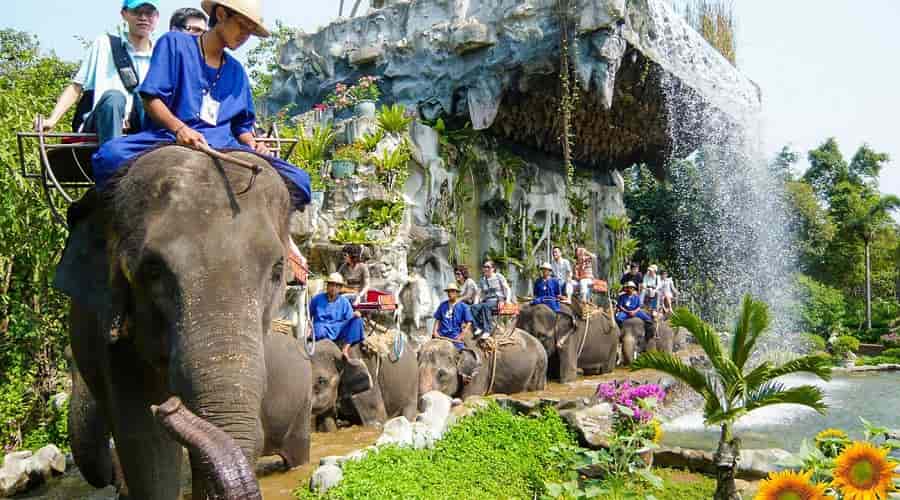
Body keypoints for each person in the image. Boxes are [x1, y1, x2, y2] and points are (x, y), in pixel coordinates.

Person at [91, 0, 311, 209]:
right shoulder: (174, 43)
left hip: (225, 146)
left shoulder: (237, 71)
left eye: (250, 32)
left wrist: (253, 144)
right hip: (168, 137)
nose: (245, 36)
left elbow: (241, 126)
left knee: (300, 180)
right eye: (242, 26)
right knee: (109, 156)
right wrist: (180, 128)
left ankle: (283, 239)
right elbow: (151, 99)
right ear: (221, 14)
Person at [36, 0, 159, 145]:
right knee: (114, 97)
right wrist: (52, 119)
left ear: (156, 17)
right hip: (100, 122)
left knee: (147, 97)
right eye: (137, 12)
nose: (143, 18)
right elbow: (76, 86)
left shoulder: (160, 53)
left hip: (141, 125)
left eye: (148, 13)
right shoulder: (104, 44)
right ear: (124, 14)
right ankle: (113, 155)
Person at [309, 273, 364, 358]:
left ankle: (345, 349)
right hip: (322, 327)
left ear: (340, 288)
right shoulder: (317, 299)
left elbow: (349, 318)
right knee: (318, 330)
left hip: (338, 328)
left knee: (357, 321)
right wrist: (309, 328)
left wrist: (355, 315)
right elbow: (309, 315)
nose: (333, 288)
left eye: (337, 286)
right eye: (331, 285)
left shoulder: (344, 301)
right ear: (327, 286)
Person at [470, 260, 512, 338]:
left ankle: (487, 330)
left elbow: (507, 288)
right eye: (484, 267)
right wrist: (475, 303)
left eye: (488, 267)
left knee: (486, 306)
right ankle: (478, 327)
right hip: (487, 301)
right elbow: (478, 294)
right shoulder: (482, 280)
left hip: (497, 300)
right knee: (473, 307)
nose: (486, 269)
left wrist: (507, 300)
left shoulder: (498, 276)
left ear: (493, 269)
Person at [432, 283, 474, 350]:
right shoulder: (442, 305)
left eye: (452, 291)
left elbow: (469, 322)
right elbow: (437, 319)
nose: (449, 293)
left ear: (457, 293)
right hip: (441, 334)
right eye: (448, 291)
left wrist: (462, 335)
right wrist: (435, 332)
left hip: (454, 335)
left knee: (461, 352)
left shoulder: (463, 306)